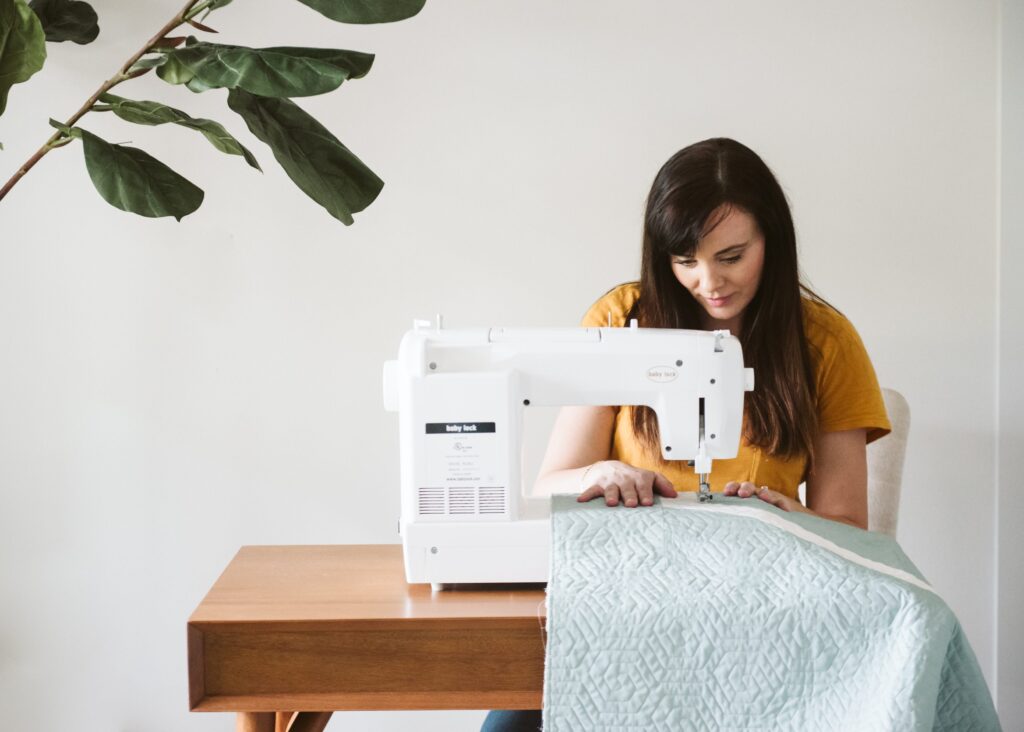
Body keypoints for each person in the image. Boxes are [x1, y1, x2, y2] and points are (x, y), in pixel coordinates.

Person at [480, 137, 891, 732]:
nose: (708, 281)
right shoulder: (622, 320)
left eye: (731, 256)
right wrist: (597, 474)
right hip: (621, 596)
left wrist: (790, 516)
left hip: (757, 605)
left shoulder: (824, 343)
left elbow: (850, 529)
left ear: (771, 241)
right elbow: (549, 484)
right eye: (685, 260)